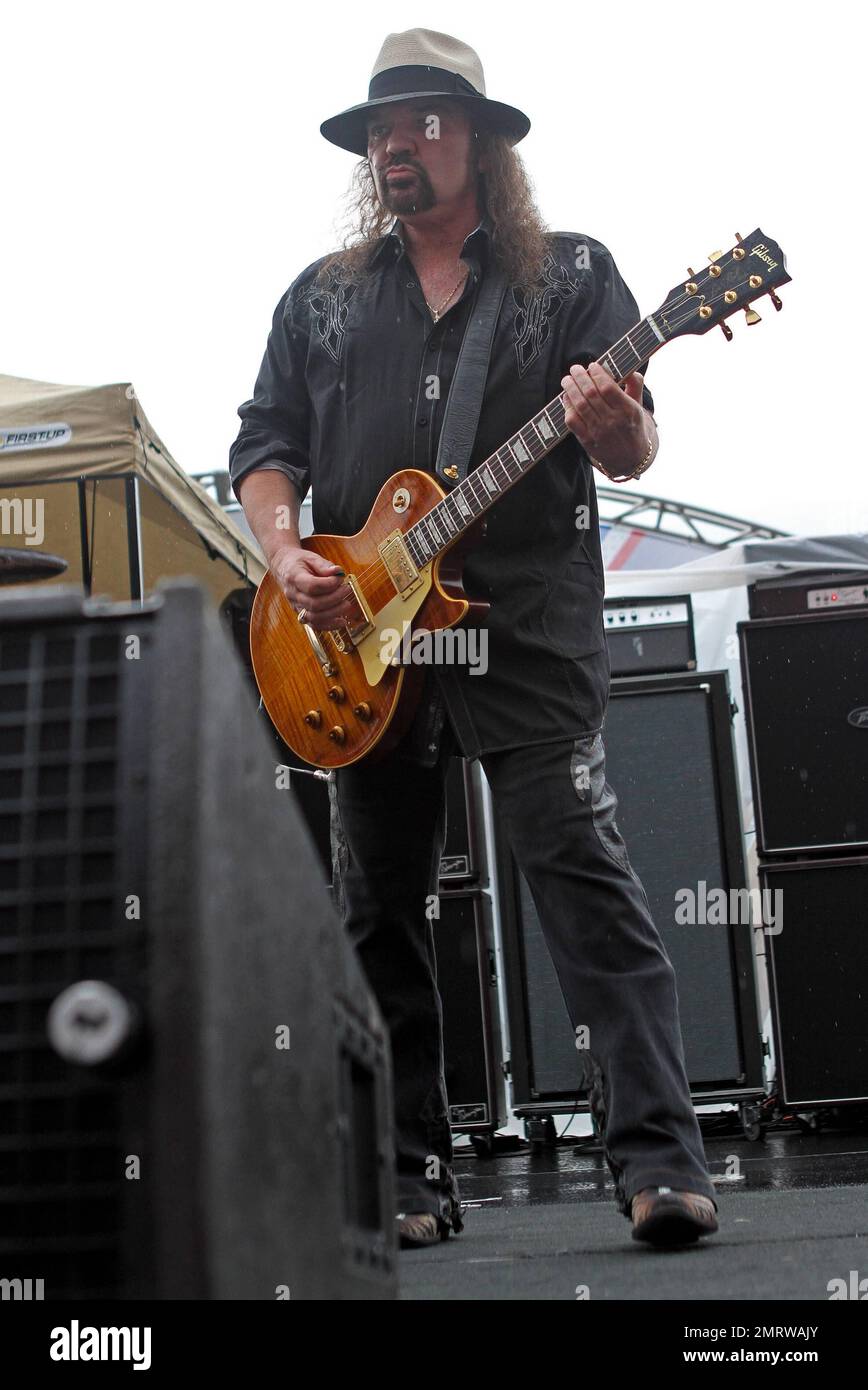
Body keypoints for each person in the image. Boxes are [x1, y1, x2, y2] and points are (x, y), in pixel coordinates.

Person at [229, 27, 719, 1250]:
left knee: (585, 887)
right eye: (381, 130)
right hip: (362, 648)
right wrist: (287, 554)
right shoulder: (325, 296)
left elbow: (631, 449)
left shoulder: (569, 279)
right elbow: (263, 447)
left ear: (482, 144)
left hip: (522, 634)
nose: (397, 144)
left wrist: (610, 422)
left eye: (424, 123)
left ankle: (662, 1164)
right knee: (378, 911)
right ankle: (403, 1173)